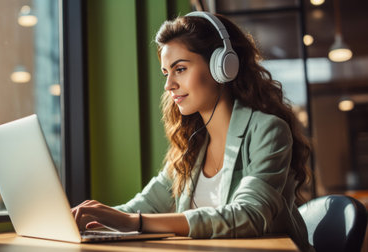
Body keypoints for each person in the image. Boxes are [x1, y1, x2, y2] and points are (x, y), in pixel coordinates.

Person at [72, 11, 313, 251]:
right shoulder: (190, 143)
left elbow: (249, 214)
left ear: (223, 66)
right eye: (166, 72)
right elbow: (145, 205)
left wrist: (133, 222)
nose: (169, 85)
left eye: (180, 69)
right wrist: (90, 219)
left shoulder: (267, 131)